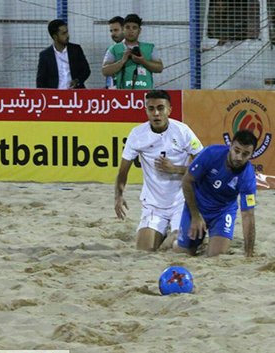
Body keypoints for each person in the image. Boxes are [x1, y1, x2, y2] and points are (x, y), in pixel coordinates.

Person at [114, 90, 203, 252]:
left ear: (169, 109)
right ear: (146, 110)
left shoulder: (183, 131)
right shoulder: (137, 134)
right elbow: (122, 172)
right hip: (153, 204)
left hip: (182, 201)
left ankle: (175, 235)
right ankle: (164, 234)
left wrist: (175, 169)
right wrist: (118, 196)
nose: (156, 113)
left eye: (160, 108)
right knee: (144, 250)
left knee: (179, 248)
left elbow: (203, 167)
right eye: (151, 108)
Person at [174, 130, 258, 257]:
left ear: (252, 155)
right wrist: (195, 216)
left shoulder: (248, 177)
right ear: (230, 146)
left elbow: (248, 216)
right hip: (198, 207)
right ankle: (174, 237)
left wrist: (249, 254)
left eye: (245, 154)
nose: (239, 157)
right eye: (237, 150)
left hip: (222, 212)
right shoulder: (211, 153)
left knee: (217, 257)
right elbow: (187, 180)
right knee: (185, 253)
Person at [101, 14, 164, 89]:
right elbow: (105, 71)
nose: (131, 31)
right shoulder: (113, 49)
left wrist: (143, 61)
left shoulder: (150, 48)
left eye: (134, 28)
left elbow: (159, 68)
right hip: (122, 95)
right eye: (127, 27)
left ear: (139, 31)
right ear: (123, 29)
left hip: (145, 94)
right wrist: (122, 61)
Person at [36, 19, 91, 89]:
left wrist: (77, 81)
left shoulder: (76, 50)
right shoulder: (45, 55)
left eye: (67, 32)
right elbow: (40, 81)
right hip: (55, 96)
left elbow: (86, 70)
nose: (67, 35)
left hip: (75, 94)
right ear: (55, 37)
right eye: (63, 33)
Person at [103, 16, 125, 88]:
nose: (113, 34)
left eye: (116, 30)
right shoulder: (110, 49)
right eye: (111, 31)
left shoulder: (133, 48)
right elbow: (106, 72)